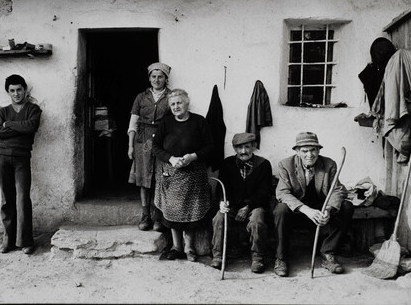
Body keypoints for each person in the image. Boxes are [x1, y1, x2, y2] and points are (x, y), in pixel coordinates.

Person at [273, 132, 354, 277]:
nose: (309, 155)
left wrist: (328, 209)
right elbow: (282, 193)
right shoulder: (286, 165)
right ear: (297, 152)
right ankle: (281, 258)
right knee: (280, 209)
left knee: (347, 206)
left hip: (320, 210)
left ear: (318, 150)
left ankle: (327, 253)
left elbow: (338, 190)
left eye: (313, 150)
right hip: (298, 211)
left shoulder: (329, 164)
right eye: (304, 151)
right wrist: (305, 209)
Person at [152, 89, 214, 262]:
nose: (176, 106)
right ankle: (176, 247)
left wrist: (192, 156)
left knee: (192, 212)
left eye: (179, 103)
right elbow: (156, 147)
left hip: (194, 173)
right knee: (172, 211)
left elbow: (210, 146)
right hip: (171, 174)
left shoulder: (199, 121)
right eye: (172, 104)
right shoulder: (166, 123)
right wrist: (171, 159)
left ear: (187, 103)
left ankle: (189, 248)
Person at [0, 74, 42, 255]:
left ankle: (26, 242)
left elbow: (30, 128)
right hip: (3, 157)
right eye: (12, 90)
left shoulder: (33, 109)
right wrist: (16, 127)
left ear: (25, 90)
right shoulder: (2, 112)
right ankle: (8, 241)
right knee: (7, 199)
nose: (16, 94)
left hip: (22, 158)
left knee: (22, 199)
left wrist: (9, 125)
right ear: (8, 92)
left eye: (19, 90)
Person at [210, 133, 272, 273]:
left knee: (257, 221)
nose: (243, 151)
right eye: (239, 148)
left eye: (247, 147)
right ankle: (218, 256)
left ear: (254, 147)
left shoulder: (263, 165)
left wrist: (248, 207)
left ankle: (258, 258)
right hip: (233, 205)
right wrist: (222, 202)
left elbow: (264, 192)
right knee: (219, 218)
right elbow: (222, 187)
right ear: (234, 148)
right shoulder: (227, 164)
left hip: (255, 205)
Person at [128, 62, 172, 231]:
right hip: (143, 140)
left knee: (161, 179)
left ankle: (159, 217)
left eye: (160, 76)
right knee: (144, 179)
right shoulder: (141, 97)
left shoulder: (170, 97)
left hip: (163, 140)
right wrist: (130, 147)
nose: (156, 79)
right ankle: (145, 216)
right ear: (149, 78)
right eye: (153, 76)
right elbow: (133, 123)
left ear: (166, 79)